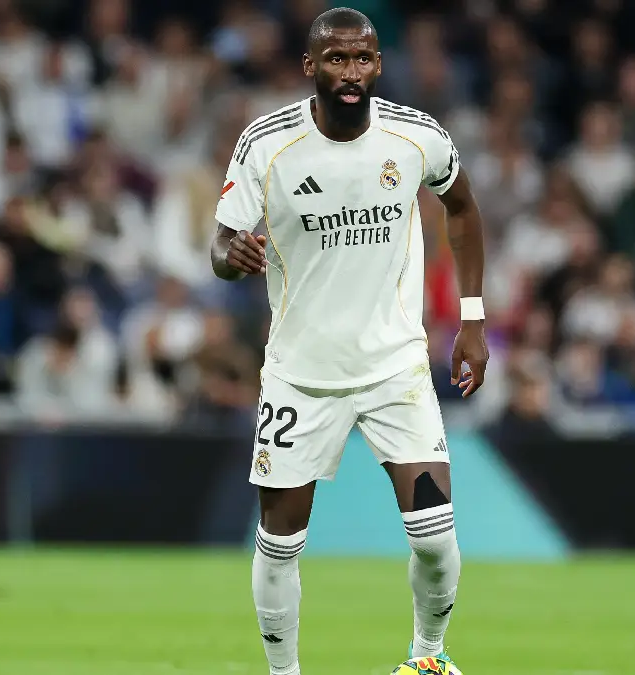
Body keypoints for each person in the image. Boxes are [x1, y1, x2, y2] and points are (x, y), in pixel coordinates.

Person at [209, 8, 488, 675]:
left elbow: (464, 209)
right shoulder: (266, 143)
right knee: (279, 543)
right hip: (301, 374)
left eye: (362, 58)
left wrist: (472, 320)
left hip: (395, 368)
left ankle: (426, 660)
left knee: (436, 540)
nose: (351, 72)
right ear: (311, 68)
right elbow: (221, 243)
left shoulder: (415, 136)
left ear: (379, 65)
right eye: (336, 59)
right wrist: (233, 255)